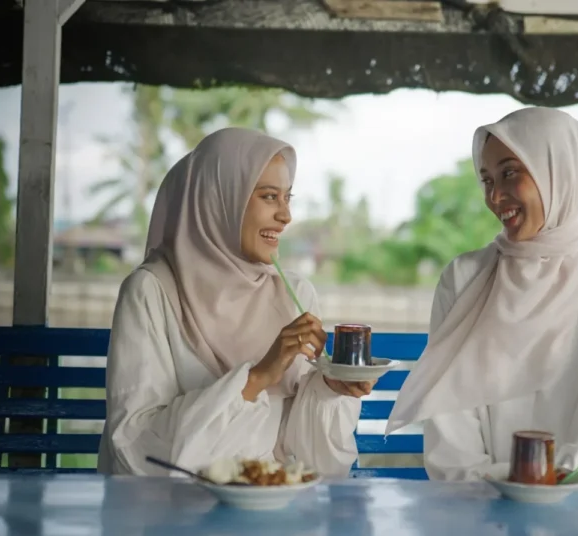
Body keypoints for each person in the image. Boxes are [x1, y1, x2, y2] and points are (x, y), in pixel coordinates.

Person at [385, 107, 578, 489]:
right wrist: (496, 509)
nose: (495, 196)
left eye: (510, 172)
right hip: (478, 510)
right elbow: (452, 442)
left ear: (560, 172)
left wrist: (540, 496)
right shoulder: (465, 278)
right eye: (486, 180)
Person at [97, 128, 374, 477]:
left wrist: (328, 391)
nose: (286, 216)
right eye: (269, 197)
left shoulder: (295, 295)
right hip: (174, 511)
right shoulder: (150, 292)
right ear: (219, 199)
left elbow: (311, 457)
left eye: (288, 197)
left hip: (270, 507)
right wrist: (256, 378)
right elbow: (135, 443)